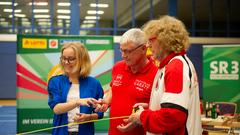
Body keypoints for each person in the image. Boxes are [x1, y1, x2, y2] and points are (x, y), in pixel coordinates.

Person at [125, 15, 203, 135]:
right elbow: (177, 106)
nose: (148, 45)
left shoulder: (175, 67)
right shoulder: (172, 65)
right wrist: (150, 107)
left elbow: (173, 116)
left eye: (151, 40)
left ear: (165, 40)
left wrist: (142, 116)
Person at [95, 28, 158, 135]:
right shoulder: (118, 67)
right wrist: (106, 102)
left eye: (128, 51)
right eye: (122, 50)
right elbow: (113, 88)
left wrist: (140, 119)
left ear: (143, 48)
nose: (123, 55)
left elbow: (159, 110)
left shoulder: (156, 74)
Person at [47, 42, 104, 135]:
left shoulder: (94, 84)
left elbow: (100, 113)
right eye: (63, 58)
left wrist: (89, 117)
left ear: (82, 60)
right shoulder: (55, 81)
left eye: (71, 59)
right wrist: (77, 102)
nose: (66, 62)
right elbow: (56, 109)